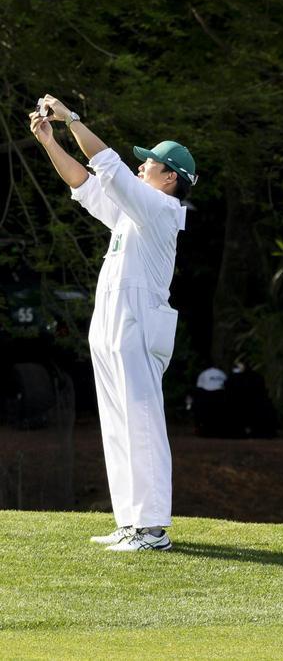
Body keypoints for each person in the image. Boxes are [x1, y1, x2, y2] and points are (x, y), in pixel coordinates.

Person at [29, 94, 194, 551]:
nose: (143, 168)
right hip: (113, 322)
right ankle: (131, 522)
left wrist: (73, 119)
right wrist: (48, 139)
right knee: (117, 422)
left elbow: (109, 166)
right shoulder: (132, 212)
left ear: (171, 178)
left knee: (141, 420)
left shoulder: (161, 211)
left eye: (151, 165)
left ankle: (154, 528)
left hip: (140, 324)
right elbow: (85, 183)